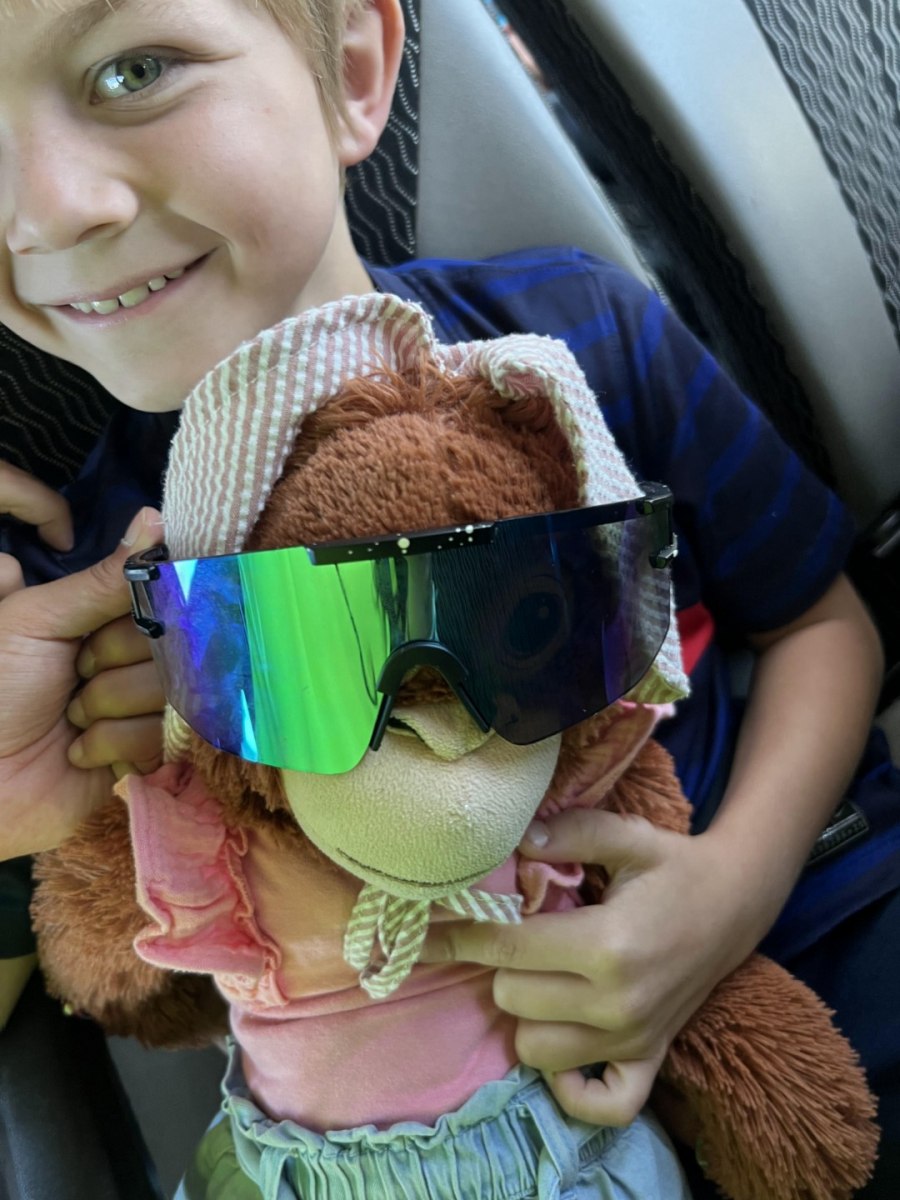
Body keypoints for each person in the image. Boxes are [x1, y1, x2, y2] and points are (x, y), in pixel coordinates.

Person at [0, 0, 896, 1195]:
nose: (46, 208)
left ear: (353, 72)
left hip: (812, 940)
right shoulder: (81, 587)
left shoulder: (572, 341)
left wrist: (731, 891)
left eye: (135, 69)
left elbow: (821, 623)